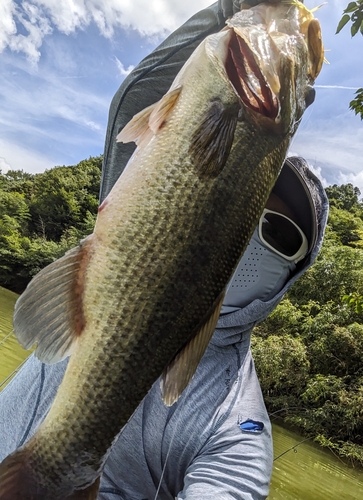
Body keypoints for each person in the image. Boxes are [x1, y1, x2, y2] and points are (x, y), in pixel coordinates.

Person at [0, 1, 329, 499]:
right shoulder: (144, 202)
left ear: (294, 274)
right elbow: (140, 94)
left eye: (282, 235)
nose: (255, 230)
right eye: (252, 202)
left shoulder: (233, 431)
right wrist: (232, 7)